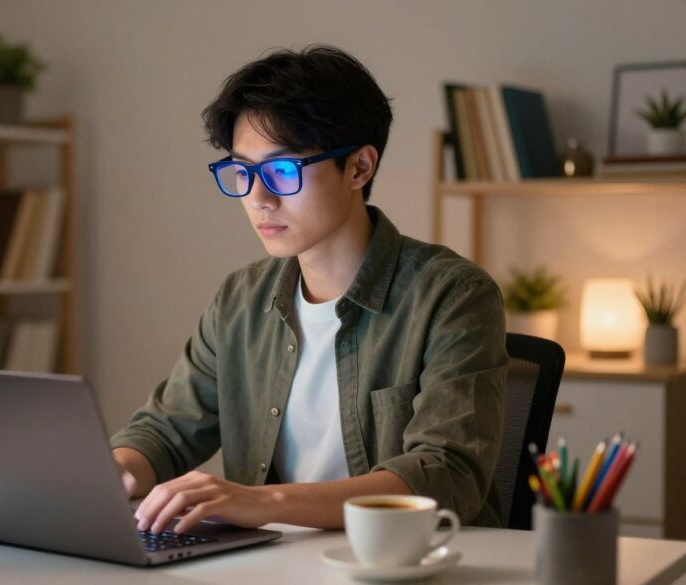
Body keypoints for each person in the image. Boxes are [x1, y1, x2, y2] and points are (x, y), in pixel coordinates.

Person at [110, 45, 508, 535]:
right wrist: (113, 469)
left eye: (282, 170)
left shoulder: (453, 295)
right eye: (242, 172)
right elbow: (166, 431)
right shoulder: (241, 300)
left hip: (413, 563)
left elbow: (445, 474)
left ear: (360, 168)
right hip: (278, 565)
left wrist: (264, 502)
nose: (259, 198)